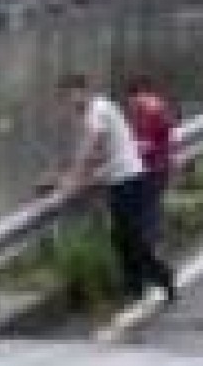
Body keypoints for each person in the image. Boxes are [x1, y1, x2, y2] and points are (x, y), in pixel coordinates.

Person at [52, 71, 175, 303]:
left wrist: (73, 179)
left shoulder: (97, 110)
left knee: (130, 237)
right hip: (120, 179)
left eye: (70, 95)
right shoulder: (96, 110)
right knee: (121, 237)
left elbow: (90, 146)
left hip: (129, 179)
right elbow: (98, 152)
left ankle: (160, 276)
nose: (68, 102)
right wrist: (71, 176)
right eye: (64, 97)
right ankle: (135, 285)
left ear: (83, 91)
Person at [123, 74, 176, 246]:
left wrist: (129, 147)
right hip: (159, 166)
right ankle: (155, 248)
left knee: (147, 213)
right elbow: (168, 138)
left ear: (139, 94)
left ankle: (152, 252)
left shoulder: (150, 112)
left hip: (153, 168)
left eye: (131, 99)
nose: (130, 105)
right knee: (150, 211)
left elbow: (147, 145)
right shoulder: (158, 107)